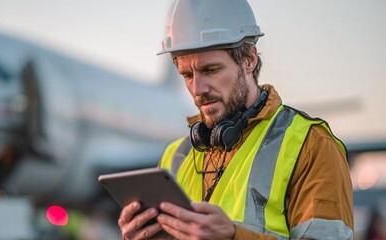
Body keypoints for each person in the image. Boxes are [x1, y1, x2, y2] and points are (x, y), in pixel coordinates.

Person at [118, 0, 354, 239]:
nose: (197, 88)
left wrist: (233, 236)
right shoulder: (174, 157)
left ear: (249, 59)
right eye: (187, 75)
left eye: (210, 70)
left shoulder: (313, 147)